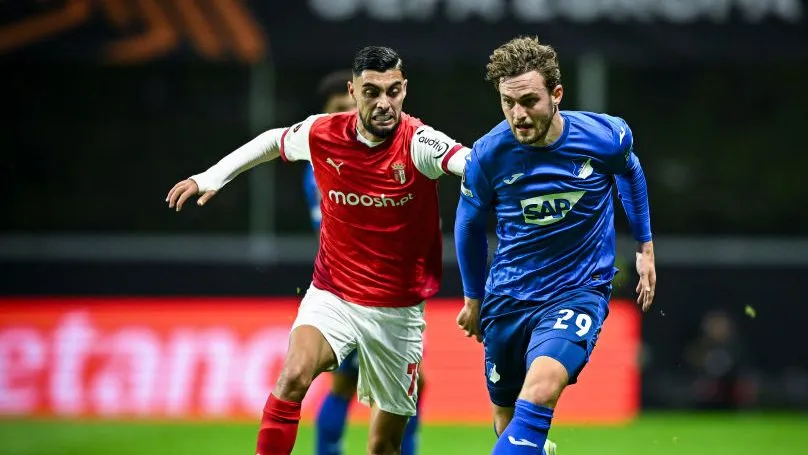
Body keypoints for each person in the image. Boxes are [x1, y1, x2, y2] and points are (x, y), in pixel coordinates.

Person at [166, 46, 469, 455]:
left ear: (405, 90)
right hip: (333, 295)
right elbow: (274, 140)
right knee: (293, 377)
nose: (384, 103)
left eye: (393, 91)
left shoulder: (419, 141)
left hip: (398, 311)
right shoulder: (323, 133)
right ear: (353, 90)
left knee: (383, 445)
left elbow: (469, 162)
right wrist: (211, 177)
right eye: (371, 91)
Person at [454, 36, 656, 454]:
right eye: (508, 103)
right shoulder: (489, 155)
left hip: (578, 291)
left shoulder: (605, 137)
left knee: (541, 388)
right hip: (508, 297)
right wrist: (474, 298)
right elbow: (468, 225)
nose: (518, 115)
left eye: (529, 100)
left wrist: (644, 247)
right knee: (506, 420)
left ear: (557, 94)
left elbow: (630, 173)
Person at [303, 69, 425, 455]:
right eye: (335, 110)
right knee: (365, 385)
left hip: (381, 290)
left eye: (349, 108)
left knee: (387, 384)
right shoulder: (326, 168)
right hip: (355, 293)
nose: (344, 117)